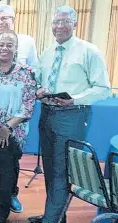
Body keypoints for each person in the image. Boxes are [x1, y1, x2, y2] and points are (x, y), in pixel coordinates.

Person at [28, 6, 111, 223]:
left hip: (72, 115)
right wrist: (39, 90)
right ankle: (54, 215)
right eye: (56, 22)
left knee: (62, 169)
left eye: (65, 22)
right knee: (49, 167)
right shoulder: (47, 53)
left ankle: (51, 219)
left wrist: (74, 99)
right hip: (47, 114)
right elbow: (38, 82)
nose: (59, 26)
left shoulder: (89, 51)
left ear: (75, 24)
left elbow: (103, 88)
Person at [0, 4, 38, 212]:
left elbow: (28, 106)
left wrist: (8, 127)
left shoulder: (26, 72)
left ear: (16, 49)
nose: (4, 48)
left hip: (10, 132)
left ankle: (1, 212)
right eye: (1, 45)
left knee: (5, 174)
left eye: (9, 45)